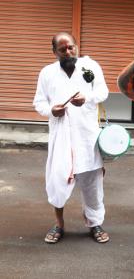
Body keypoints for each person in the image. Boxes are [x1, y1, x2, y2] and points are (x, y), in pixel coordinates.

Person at [33, 32, 110, 244]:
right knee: (57, 179)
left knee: (92, 182)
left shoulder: (91, 66)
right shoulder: (47, 73)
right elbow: (38, 103)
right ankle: (59, 223)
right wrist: (51, 110)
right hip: (61, 136)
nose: (68, 52)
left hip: (87, 135)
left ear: (76, 46)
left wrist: (88, 98)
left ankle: (95, 223)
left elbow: (103, 91)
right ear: (54, 52)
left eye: (71, 47)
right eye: (63, 49)